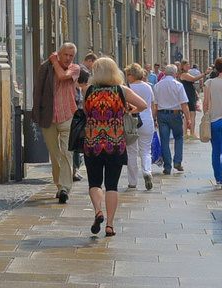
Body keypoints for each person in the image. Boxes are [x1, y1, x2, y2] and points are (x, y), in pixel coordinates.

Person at [79, 58, 148, 237]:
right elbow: (143, 105)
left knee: (94, 182)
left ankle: (97, 211)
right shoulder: (121, 90)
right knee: (112, 186)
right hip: (115, 143)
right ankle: (109, 225)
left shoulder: (87, 90)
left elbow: (86, 113)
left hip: (92, 142)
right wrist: (127, 110)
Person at [32, 43, 82, 204]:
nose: (68, 58)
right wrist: (36, 113)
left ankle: (64, 188)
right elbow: (37, 90)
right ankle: (58, 184)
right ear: (59, 54)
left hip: (68, 115)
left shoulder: (75, 69)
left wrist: (55, 62)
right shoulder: (45, 68)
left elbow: (62, 76)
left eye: (71, 56)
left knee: (67, 153)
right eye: (65, 55)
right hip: (49, 117)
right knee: (55, 154)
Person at [123, 63, 157, 191]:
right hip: (147, 120)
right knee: (145, 150)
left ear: (132, 75)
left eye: (128, 74)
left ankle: (132, 181)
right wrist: (154, 119)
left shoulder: (127, 88)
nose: (127, 77)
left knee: (131, 151)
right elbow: (152, 105)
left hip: (131, 121)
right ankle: (147, 171)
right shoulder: (148, 87)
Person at [151, 64, 189, 175]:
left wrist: (153, 118)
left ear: (165, 73)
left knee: (164, 140)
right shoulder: (178, 85)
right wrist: (188, 118)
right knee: (178, 137)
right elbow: (183, 103)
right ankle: (177, 161)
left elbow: (155, 105)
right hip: (175, 114)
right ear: (175, 74)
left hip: (161, 114)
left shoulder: (157, 86)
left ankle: (167, 166)